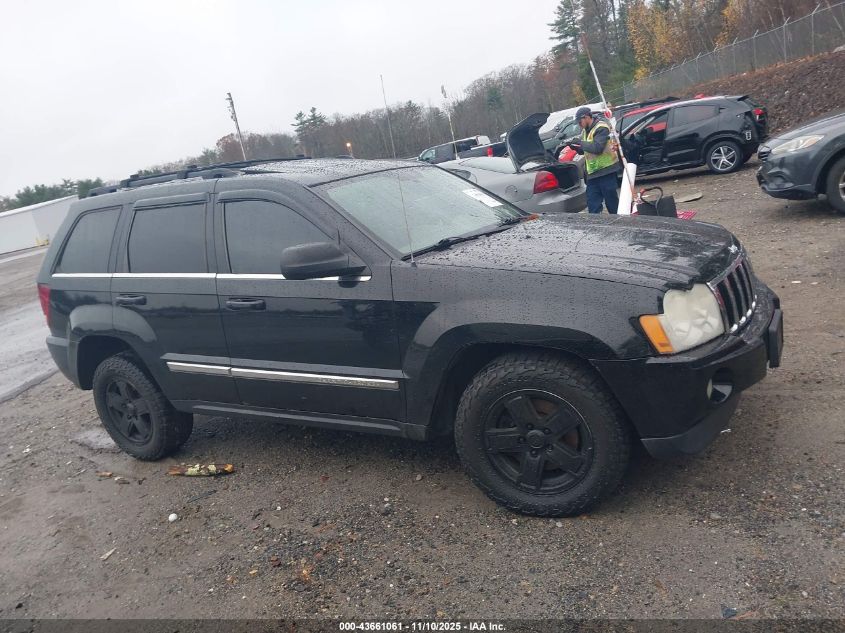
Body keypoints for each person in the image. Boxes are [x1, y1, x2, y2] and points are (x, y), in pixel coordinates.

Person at [566, 106, 621, 214]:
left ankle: (619, 225)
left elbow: (597, 148)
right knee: (593, 206)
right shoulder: (585, 131)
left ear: (586, 117)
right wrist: (576, 147)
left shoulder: (601, 127)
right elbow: (586, 150)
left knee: (612, 204)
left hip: (606, 171)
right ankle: (596, 228)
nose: (579, 125)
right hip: (593, 174)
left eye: (580, 122)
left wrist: (580, 143)